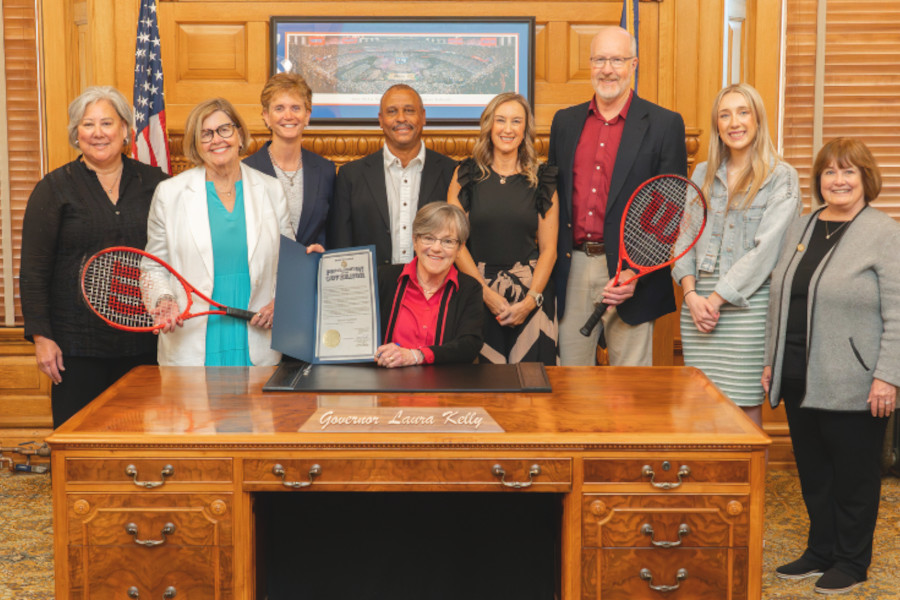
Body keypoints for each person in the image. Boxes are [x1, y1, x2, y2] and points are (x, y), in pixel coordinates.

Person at [762, 138, 900, 594]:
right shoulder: (804, 226)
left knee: (854, 476)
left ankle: (852, 560)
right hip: (800, 374)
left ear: (866, 180)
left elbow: (898, 312)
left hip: (856, 381)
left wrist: (888, 376)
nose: (837, 180)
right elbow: (779, 298)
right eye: (829, 172)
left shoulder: (884, 233)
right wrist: (772, 363)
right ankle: (820, 549)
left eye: (848, 172)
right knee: (815, 471)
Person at [20, 86, 168, 427]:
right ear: (76, 134)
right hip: (76, 348)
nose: (98, 133)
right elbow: (33, 271)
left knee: (142, 445)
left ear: (126, 131)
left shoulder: (157, 185)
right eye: (88, 125)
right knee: (81, 450)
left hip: (145, 344)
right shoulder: (54, 188)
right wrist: (42, 339)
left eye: (107, 123)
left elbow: (175, 254)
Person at [549, 26, 687, 366]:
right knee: (571, 386)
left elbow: (669, 208)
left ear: (633, 64)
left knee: (630, 395)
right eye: (599, 59)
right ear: (590, 64)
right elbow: (552, 199)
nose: (607, 69)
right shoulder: (564, 122)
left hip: (631, 275)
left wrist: (635, 271)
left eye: (616, 59)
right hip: (573, 269)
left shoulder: (664, 123)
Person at [672, 83, 800, 426]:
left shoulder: (781, 177)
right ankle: (705, 481)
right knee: (699, 402)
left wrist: (713, 301)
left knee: (742, 406)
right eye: (724, 115)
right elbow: (684, 236)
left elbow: (767, 252)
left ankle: (748, 483)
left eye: (743, 112)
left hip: (747, 305)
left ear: (757, 119)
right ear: (717, 125)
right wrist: (691, 296)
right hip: (696, 304)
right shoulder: (702, 172)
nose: (734, 122)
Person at [145, 97, 295, 366]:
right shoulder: (170, 194)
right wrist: (164, 299)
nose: (217, 140)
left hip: (257, 340)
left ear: (239, 134)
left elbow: (290, 263)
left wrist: (281, 302)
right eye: (206, 134)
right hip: (191, 343)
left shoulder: (272, 190)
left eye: (224, 129)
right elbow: (153, 267)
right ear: (195, 144)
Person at [448, 92, 560, 365]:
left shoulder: (543, 179)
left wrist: (531, 301)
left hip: (532, 293)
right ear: (489, 126)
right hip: (477, 290)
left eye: (516, 121)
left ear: (525, 130)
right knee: (482, 389)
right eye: (500, 120)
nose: (507, 129)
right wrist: (486, 295)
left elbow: (549, 250)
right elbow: (454, 242)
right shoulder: (466, 175)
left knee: (534, 390)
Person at [327, 84, 457, 265]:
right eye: (392, 111)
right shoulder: (351, 176)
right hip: (372, 289)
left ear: (423, 117)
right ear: (381, 120)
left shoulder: (451, 172)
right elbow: (341, 245)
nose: (401, 118)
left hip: (433, 290)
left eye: (409, 110)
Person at [373, 202, 483, 367]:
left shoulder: (469, 288)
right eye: (428, 238)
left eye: (448, 241)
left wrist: (417, 356)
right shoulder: (383, 278)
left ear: (460, 248)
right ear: (415, 240)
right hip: (385, 385)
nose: (437, 248)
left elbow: (469, 345)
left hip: (444, 387)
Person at [244, 72, 335, 246]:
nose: (288, 116)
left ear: (307, 115)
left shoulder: (325, 170)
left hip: (311, 269)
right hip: (264, 271)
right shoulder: (247, 170)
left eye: (295, 108)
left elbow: (332, 234)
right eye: (279, 108)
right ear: (266, 116)